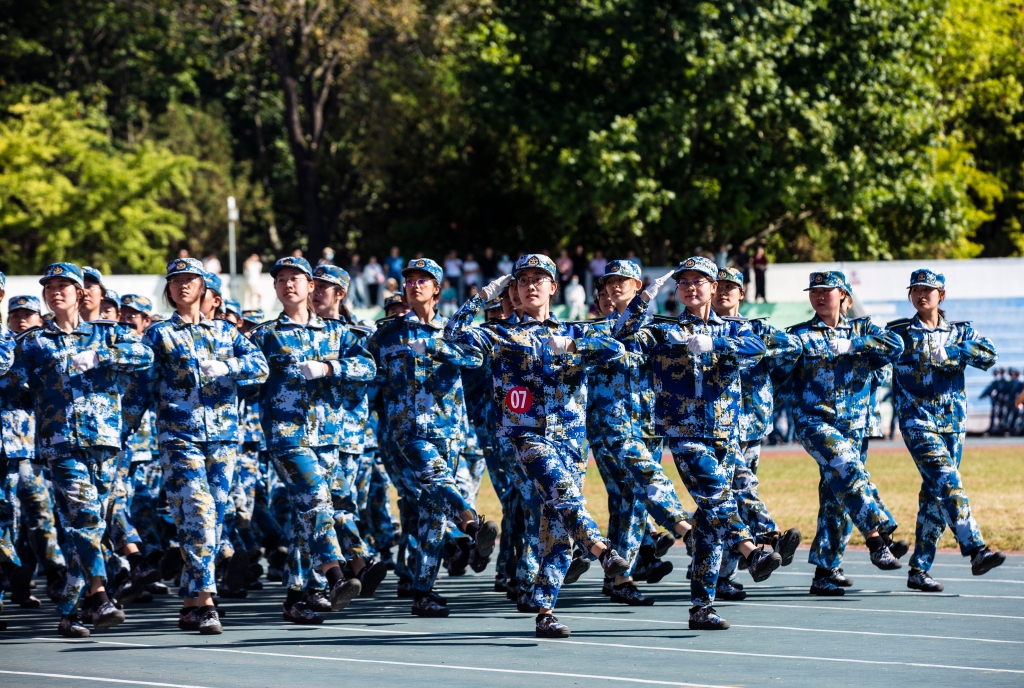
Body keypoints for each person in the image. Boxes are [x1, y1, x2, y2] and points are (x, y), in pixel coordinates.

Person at [446, 254, 631, 639]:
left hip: (570, 440)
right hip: (528, 436)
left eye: (539, 279)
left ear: (553, 287)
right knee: (565, 499)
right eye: (523, 280)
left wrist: (571, 349)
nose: (531, 285)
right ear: (513, 290)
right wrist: (482, 296)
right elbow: (453, 334)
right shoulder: (499, 334)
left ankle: (545, 609)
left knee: (558, 529)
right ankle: (600, 548)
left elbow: (616, 349)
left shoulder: (575, 332)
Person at [614, 255, 778, 631]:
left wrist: (716, 344)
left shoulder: (735, 329)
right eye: (684, 282)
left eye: (699, 281)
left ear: (714, 288)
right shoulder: (663, 330)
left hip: (725, 433)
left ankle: (701, 607)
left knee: (709, 522)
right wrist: (642, 301)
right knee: (717, 495)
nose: (690, 287)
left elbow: (761, 346)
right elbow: (622, 336)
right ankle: (751, 551)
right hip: (684, 433)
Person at [4, 263, 153, 638]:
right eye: (50, 287)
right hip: (61, 444)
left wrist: (102, 357)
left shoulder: (108, 334)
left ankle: (71, 611)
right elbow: (12, 385)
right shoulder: (34, 342)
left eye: (64, 286)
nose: (56, 292)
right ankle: (101, 596)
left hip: (105, 441)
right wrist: (33, 396)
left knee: (88, 529)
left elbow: (143, 357)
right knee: (85, 519)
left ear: (80, 294)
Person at [251, 257, 382, 623]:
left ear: (311, 286)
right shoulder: (264, 335)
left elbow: (368, 367)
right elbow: (245, 374)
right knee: (318, 502)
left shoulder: (336, 333)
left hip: (327, 438)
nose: (288, 284)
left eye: (296, 278)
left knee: (305, 516)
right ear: (275, 289)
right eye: (280, 279)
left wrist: (330, 367)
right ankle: (336, 575)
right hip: (287, 437)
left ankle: (297, 594)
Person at [366, 258, 497, 618]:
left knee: (432, 512)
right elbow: (367, 372)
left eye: (423, 280)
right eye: (410, 279)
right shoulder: (387, 333)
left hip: (449, 431)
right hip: (408, 431)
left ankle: (423, 590)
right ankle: (471, 524)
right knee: (438, 481)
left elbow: (475, 361)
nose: (415, 285)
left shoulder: (454, 331)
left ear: (437, 288)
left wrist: (440, 349)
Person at [144, 257, 269, 634]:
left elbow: (260, 367)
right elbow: (141, 387)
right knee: (199, 513)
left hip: (223, 437)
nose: (182, 285)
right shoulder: (159, 335)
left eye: (190, 279)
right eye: (175, 280)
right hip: (179, 437)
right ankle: (207, 601)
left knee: (208, 518)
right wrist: (125, 429)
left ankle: (188, 601)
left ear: (204, 288)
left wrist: (228, 367)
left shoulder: (227, 334)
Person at [781, 271, 906, 597]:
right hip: (815, 423)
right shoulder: (799, 335)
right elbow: (778, 366)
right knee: (849, 469)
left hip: (857, 425)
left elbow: (897, 346)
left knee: (837, 495)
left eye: (827, 291)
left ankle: (826, 570)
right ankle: (878, 535)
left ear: (844, 296)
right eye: (814, 291)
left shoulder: (863, 329)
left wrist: (856, 344)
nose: (819, 296)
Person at [888, 269, 1004, 591]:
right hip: (917, 422)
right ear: (910, 295)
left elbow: (990, 354)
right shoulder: (898, 333)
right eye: (916, 289)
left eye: (929, 289)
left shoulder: (961, 332)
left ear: (942, 295)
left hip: (953, 424)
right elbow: (872, 355)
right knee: (949, 483)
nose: (922, 294)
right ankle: (976, 549)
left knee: (935, 498)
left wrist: (954, 352)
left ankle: (919, 570)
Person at [589, 260, 696, 606]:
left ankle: (619, 577)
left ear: (637, 285)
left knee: (628, 502)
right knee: (645, 479)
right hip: (610, 426)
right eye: (610, 281)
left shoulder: (660, 330)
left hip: (649, 425)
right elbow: (621, 334)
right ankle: (686, 530)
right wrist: (644, 301)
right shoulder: (595, 330)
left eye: (624, 280)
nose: (615, 285)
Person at [710, 267, 803, 600]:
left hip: (751, 422)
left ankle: (724, 573)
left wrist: (766, 361)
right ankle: (767, 537)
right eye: (718, 286)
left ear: (742, 293)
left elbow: (791, 348)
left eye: (731, 287)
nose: (724, 292)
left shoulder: (757, 328)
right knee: (735, 488)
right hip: (717, 424)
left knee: (728, 498)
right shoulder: (703, 329)